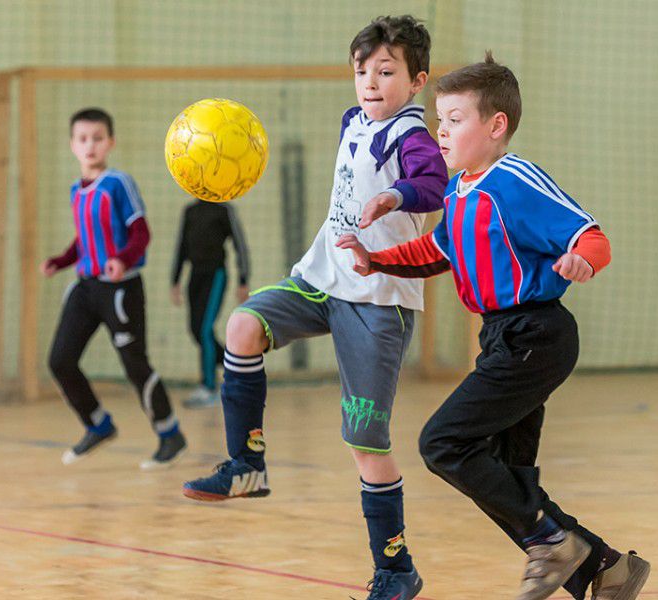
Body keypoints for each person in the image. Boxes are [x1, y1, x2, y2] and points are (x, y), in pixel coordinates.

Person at [336, 53, 650, 600]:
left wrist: (583, 260)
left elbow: (589, 235)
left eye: (455, 120)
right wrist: (375, 258)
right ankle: (607, 567)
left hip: (537, 335)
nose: (442, 131)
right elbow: (434, 251)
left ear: (495, 125)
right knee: (510, 472)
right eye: (440, 120)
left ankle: (553, 541)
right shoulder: (459, 194)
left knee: (444, 443)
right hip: (502, 339)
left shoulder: (513, 179)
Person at [183, 16, 448, 600]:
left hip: (378, 300)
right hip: (321, 278)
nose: (371, 83)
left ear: (418, 80)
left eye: (386, 71)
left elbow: (436, 184)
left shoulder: (412, 137)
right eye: (362, 71)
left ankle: (396, 568)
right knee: (243, 324)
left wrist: (395, 194)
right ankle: (246, 465)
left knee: (366, 443)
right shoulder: (352, 121)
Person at [41, 107, 187, 471]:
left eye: (97, 138)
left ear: (110, 142)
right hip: (85, 288)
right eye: (82, 138)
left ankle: (170, 434)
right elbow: (85, 240)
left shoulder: (119, 183)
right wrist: (61, 260)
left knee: (134, 364)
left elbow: (141, 232)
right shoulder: (77, 190)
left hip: (120, 289)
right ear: (72, 145)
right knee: (60, 360)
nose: (90, 145)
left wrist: (122, 260)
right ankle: (97, 424)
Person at [170, 198, 251, 408]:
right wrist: (175, 280)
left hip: (215, 275)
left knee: (205, 330)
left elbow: (240, 245)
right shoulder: (190, 211)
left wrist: (243, 280)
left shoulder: (224, 210)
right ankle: (237, 368)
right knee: (195, 330)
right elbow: (181, 246)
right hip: (195, 276)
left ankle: (209, 387)